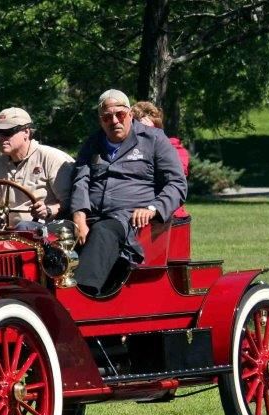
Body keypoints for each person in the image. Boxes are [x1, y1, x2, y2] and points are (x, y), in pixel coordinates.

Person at [68, 90, 187, 295]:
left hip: (128, 220)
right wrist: (79, 216)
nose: (114, 121)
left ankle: (79, 296)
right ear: (101, 120)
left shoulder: (154, 139)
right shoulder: (92, 143)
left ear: (130, 113)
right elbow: (81, 181)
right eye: (107, 117)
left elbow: (177, 184)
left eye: (120, 115)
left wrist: (153, 208)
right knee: (49, 236)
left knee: (104, 231)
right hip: (91, 216)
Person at [0, 107, 74, 235]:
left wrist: (49, 210)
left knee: (22, 227)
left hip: (45, 230)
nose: (0, 138)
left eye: (7, 132)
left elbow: (71, 202)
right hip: (6, 230)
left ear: (26, 132)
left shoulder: (51, 158)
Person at [131, 101, 190, 176]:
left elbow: (178, 174)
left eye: (148, 130)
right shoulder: (122, 147)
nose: (142, 136)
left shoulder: (174, 148)